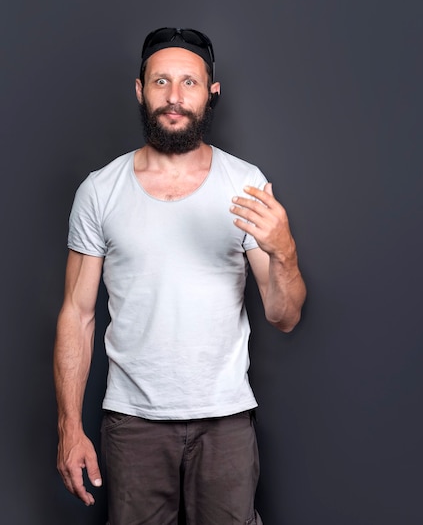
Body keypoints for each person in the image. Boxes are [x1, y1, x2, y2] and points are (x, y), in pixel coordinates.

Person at [54, 27, 306, 525]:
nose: (174, 97)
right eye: (161, 82)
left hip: (226, 422)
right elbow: (77, 315)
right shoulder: (100, 191)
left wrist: (285, 252)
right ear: (139, 89)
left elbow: (285, 316)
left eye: (189, 83)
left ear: (212, 92)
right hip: (132, 424)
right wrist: (69, 427)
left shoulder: (246, 185)